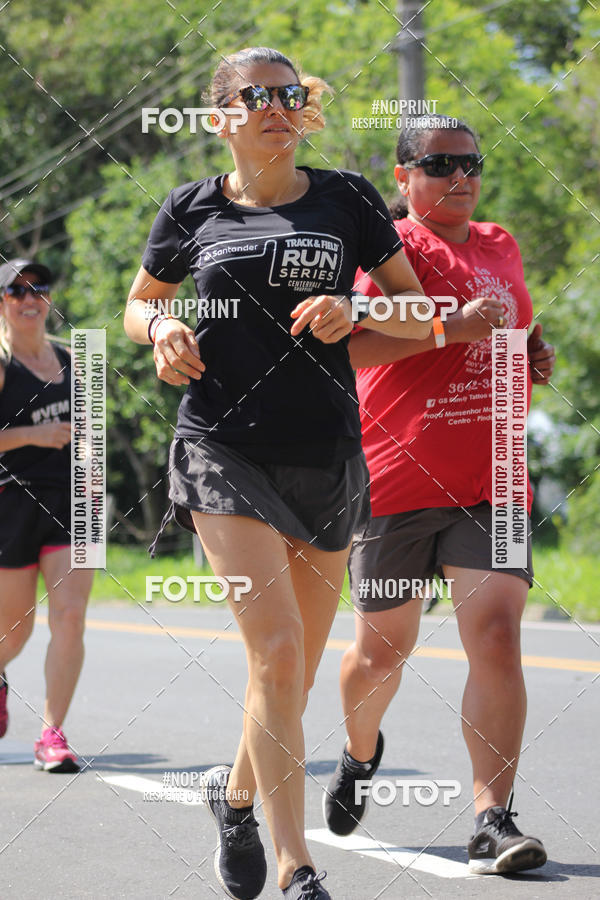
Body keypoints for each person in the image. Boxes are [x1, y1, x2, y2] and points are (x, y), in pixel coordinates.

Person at [124, 46, 430, 900]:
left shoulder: (347, 199)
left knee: (285, 671)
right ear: (220, 116)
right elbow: (140, 301)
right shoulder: (190, 208)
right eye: (256, 96)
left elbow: (415, 309)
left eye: (291, 94)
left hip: (327, 453)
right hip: (223, 445)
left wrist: (360, 305)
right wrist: (161, 332)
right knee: (280, 656)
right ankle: (298, 864)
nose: (276, 107)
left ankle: (232, 801)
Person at [323, 116, 556, 875]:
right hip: (396, 477)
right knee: (380, 652)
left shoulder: (501, 242)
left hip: (494, 476)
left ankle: (494, 820)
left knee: (494, 635)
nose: (460, 175)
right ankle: (360, 754)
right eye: (439, 164)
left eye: (471, 162)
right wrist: (450, 332)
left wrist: (528, 349)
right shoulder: (390, 250)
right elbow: (352, 341)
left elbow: (510, 323)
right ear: (404, 177)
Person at [0, 258, 93, 772]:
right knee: (15, 631)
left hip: (74, 501)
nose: (30, 297)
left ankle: (52, 735)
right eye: (17, 290)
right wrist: (32, 436)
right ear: (3, 303)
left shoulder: (78, 360)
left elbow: (92, 441)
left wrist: (96, 498)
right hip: (13, 501)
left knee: (71, 617)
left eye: (39, 287)